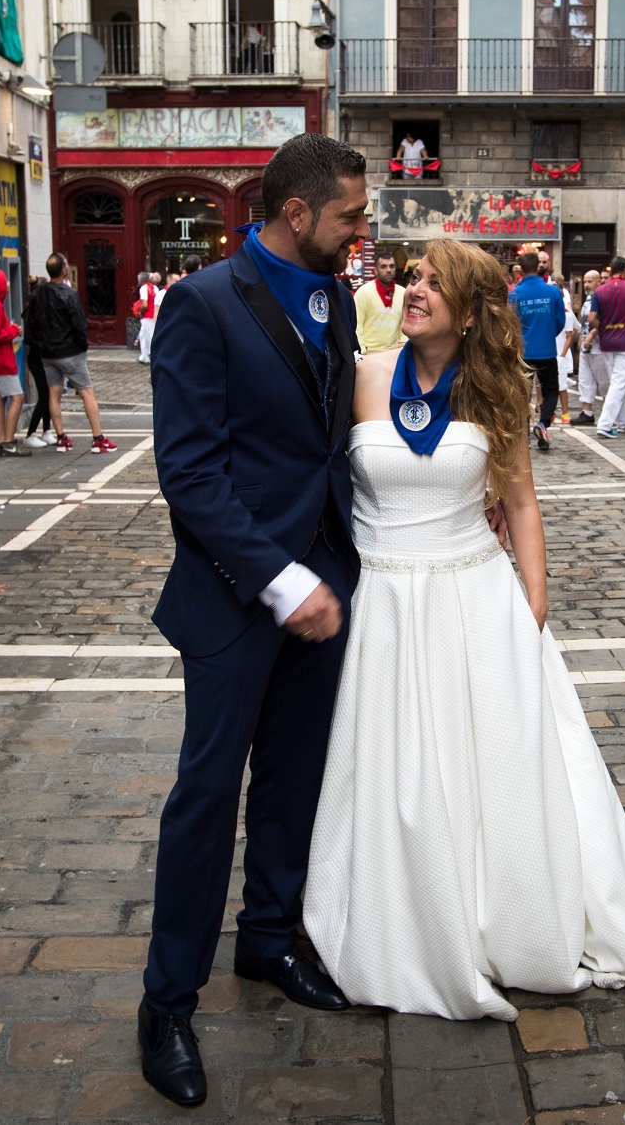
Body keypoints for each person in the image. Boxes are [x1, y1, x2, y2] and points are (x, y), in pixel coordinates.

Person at [304, 239, 625, 1022]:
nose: (413, 290)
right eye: (413, 279)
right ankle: (403, 917)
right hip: (385, 605)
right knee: (395, 773)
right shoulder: (360, 376)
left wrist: (532, 606)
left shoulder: (494, 390)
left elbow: (521, 501)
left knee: (488, 763)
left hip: (473, 599)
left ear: (469, 311)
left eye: (432, 283)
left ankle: (504, 914)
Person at [138, 134, 372, 1110]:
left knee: (296, 779)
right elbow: (189, 472)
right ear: (297, 213)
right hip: (240, 594)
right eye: (351, 216)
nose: (362, 232)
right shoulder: (201, 305)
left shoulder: (342, 295)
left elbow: (329, 438)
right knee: (206, 794)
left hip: (329, 578)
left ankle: (268, 941)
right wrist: (278, 579)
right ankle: (167, 1006)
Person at [23, 253, 117, 456]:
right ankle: (98, 438)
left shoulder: (38, 293)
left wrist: (41, 344)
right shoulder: (68, 294)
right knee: (86, 392)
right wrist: (81, 346)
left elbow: (31, 323)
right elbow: (79, 323)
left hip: (48, 354)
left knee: (54, 394)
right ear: (64, 270)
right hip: (70, 352)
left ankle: (61, 437)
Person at [509, 250, 565, 452]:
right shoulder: (553, 292)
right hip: (547, 351)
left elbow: (510, 324)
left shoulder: (514, 294)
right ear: (540, 267)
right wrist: (547, 333)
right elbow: (560, 322)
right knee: (551, 391)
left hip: (523, 353)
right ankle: (543, 424)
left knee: (522, 395)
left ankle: (523, 435)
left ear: (521, 270)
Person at [589, 257, 625, 439]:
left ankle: (623, 421)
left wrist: (603, 328)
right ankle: (605, 424)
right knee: (619, 384)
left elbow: (592, 318)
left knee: (616, 382)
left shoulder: (600, 291)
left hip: (607, 342)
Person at [0, 271, 29, 458]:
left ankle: (0, 440)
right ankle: (8, 441)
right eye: (4, 281)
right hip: (2, 360)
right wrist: (12, 330)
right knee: (17, 397)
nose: (8, 283)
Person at [22, 276, 57, 448]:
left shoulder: (40, 307)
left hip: (44, 356)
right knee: (44, 395)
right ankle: (31, 433)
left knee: (49, 393)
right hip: (37, 356)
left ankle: (46, 431)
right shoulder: (33, 307)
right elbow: (29, 336)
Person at [571, 270, 609, 426]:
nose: (586, 284)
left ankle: (609, 412)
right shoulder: (588, 300)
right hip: (586, 348)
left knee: (604, 381)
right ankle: (587, 412)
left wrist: (592, 334)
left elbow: (606, 321)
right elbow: (586, 320)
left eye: (590, 281)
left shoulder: (603, 298)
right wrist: (581, 335)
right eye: (585, 281)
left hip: (599, 347)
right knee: (585, 380)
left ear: (598, 281)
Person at [354, 251, 406, 353]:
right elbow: (356, 325)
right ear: (375, 270)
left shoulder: (403, 293)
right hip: (369, 353)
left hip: (394, 352)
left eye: (392, 266)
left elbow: (404, 324)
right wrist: (362, 351)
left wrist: (403, 344)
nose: (388, 270)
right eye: (383, 267)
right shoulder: (364, 292)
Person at [553, 274, 579, 424]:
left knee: (562, 385)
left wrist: (562, 355)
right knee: (547, 386)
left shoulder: (567, 316)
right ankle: (548, 412)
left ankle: (565, 412)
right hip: (548, 353)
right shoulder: (549, 314)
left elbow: (569, 336)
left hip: (559, 354)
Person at [136, 272, 158, 364]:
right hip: (153, 314)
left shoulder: (143, 288)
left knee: (146, 336)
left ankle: (146, 355)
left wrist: (140, 312)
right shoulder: (155, 288)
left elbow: (144, 304)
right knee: (148, 334)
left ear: (141, 279)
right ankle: (146, 355)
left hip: (147, 315)